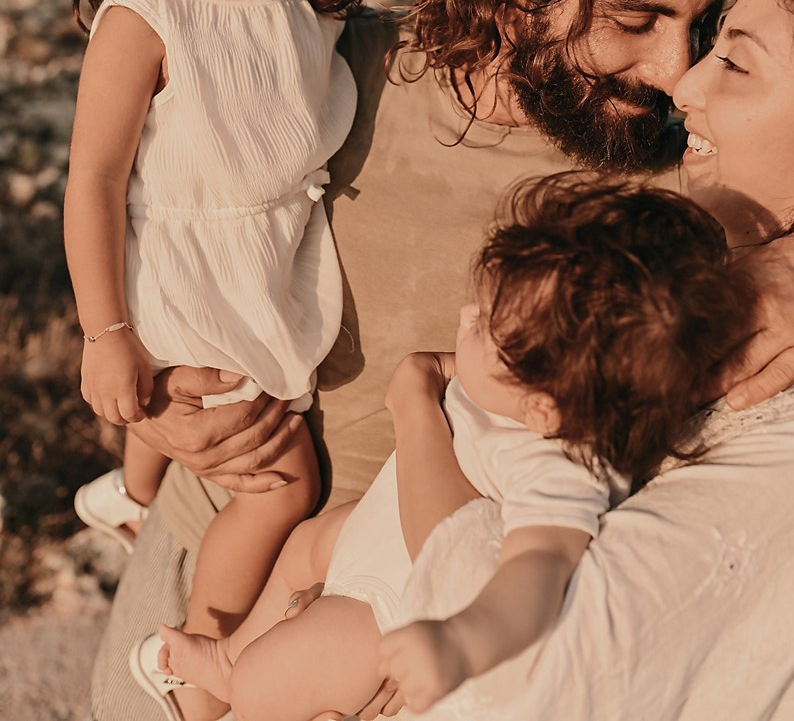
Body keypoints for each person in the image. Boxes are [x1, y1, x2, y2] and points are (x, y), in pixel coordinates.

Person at [90, 0, 765, 721]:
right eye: (636, 18)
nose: (673, 69)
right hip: (193, 549)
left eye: (698, 26)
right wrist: (151, 404)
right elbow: (149, 209)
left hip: (382, 647)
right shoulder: (324, 65)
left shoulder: (664, 190)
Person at [369, 0, 794, 720]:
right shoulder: (683, 254)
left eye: (731, 57)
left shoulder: (769, 395)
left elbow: (533, 675)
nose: (683, 83)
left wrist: (414, 415)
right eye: (642, 21)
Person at [156, 172, 755, 720]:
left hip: (390, 610)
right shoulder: (517, 391)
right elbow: (460, 379)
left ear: (544, 407)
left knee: (276, 680)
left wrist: (464, 639)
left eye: (483, 324)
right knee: (306, 546)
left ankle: (245, 692)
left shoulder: (561, 466)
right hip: (369, 536)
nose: (467, 314)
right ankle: (229, 659)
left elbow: (536, 572)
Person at [64, 0, 378, 719]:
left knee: (226, 429)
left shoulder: (302, 16)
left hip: (248, 272)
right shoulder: (147, 14)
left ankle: (132, 492)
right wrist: (106, 334)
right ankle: (200, 648)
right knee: (282, 482)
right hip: (178, 278)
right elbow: (95, 180)